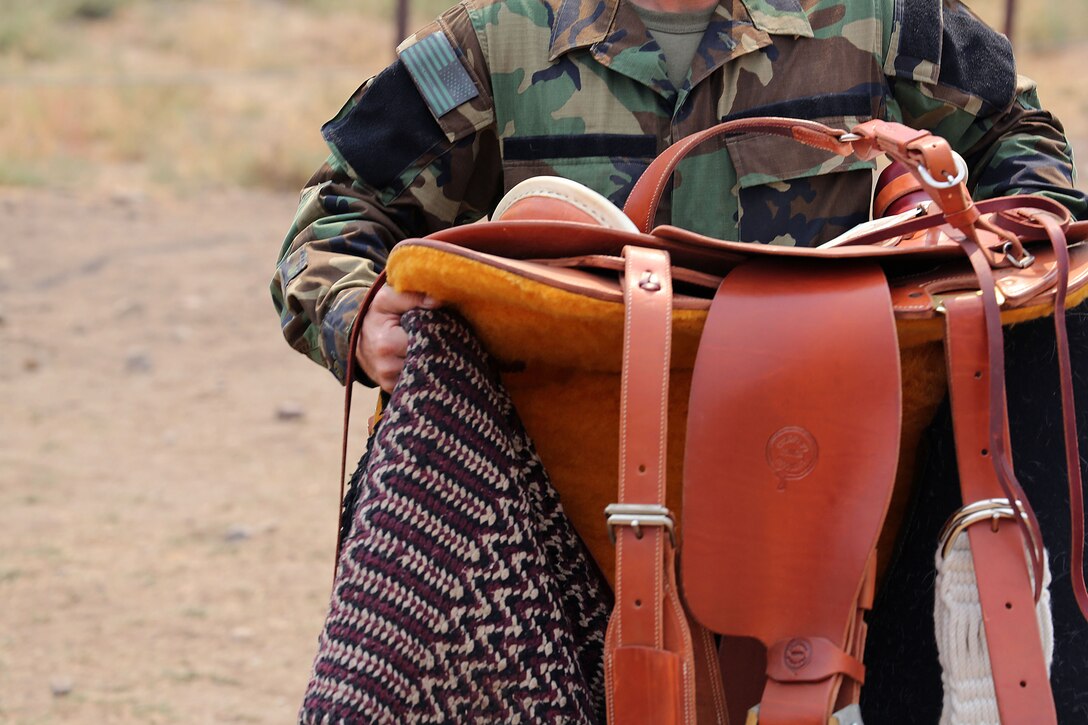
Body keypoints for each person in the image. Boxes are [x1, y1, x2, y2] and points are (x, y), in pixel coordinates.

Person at [272, 0, 1087, 721]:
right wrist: (357, 309)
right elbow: (340, 204)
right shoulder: (499, 40)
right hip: (573, 492)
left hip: (837, 472)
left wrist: (991, 245)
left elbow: (1018, 137)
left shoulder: (879, 14)